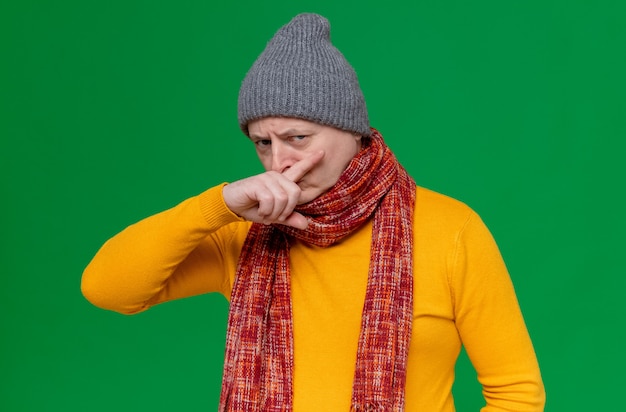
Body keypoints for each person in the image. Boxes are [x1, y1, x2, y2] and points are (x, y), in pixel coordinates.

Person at [81, 13, 545, 412]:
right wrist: (216, 206)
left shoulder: (450, 229)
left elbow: (517, 394)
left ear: (353, 132)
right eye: (263, 143)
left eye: (297, 137)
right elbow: (108, 289)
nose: (279, 160)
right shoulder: (247, 234)